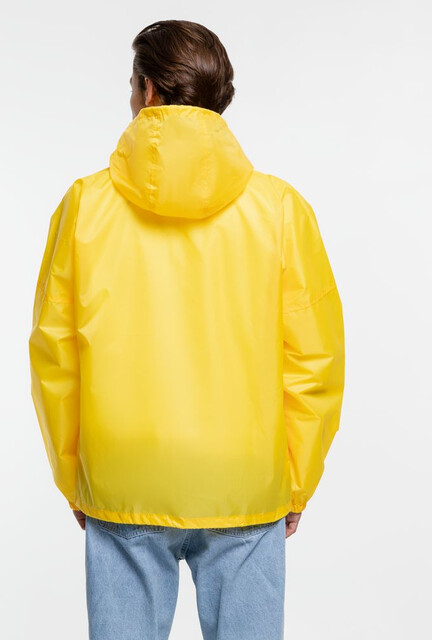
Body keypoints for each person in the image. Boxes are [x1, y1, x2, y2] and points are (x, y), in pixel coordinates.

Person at [28, 19, 345, 640]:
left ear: (148, 90)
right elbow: (315, 359)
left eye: (132, 85)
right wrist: (295, 480)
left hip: (124, 473)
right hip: (245, 480)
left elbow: (54, 355)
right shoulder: (280, 209)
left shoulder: (84, 205)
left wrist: (76, 478)